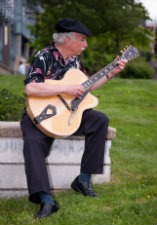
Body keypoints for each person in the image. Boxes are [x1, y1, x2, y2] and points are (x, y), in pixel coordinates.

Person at [20, 18, 127, 219]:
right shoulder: (44, 56)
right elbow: (31, 87)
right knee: (32, 142)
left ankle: (83, 179)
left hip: (68, 113)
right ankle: (46, 199)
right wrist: (65, 88)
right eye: (82, 39)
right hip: (40, 115)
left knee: (99, 119)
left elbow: (85, 85)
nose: (85, 44)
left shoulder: (75, 62)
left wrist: (111, 72)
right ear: (67, 39)